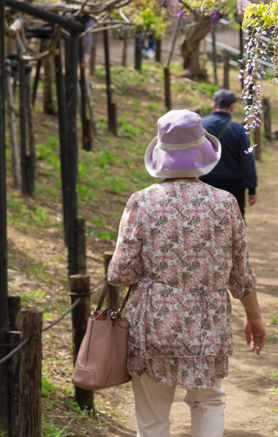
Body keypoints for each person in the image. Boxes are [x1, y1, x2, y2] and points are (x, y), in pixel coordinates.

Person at [108, 110, 267, 437]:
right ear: (201, 154)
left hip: (153, 325)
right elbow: (241, 274)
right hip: (206, 326)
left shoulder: (142, 202)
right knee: (208, 403)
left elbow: (120, 273)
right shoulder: (225, 204)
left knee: (152, 418)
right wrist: (255, 317)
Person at [199, 89, 257, 217]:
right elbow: (247, 161)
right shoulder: (238, 130)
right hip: (233, 188)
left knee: (207, 225)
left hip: (205, 185)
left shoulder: (200, 126)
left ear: (213, 106)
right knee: (234, 227)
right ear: (232, 107)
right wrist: (251, 188)